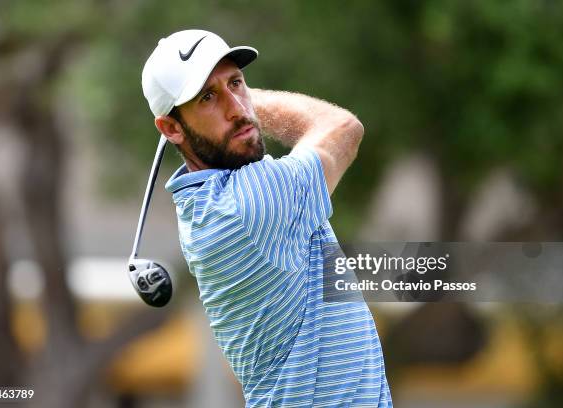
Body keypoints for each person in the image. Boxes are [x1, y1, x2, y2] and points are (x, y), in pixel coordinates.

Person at [141, 29, 392, 407]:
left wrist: (227, 99)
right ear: (172, 128)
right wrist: (253, 100)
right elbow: (342, 128)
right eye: (208, 97)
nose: (236, 108)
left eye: (236, 83)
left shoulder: (206, 202)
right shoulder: (247, 207)